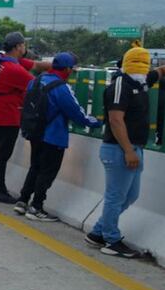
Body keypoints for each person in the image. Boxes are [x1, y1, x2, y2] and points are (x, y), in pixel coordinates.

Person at [85, 46, 165, 257]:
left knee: (130, 196)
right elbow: (116, 120)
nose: (143, 67)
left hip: (134, 147)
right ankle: (111, 239)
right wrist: (128, 151)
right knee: (115, 197)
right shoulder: (120, 85)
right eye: (139, 63)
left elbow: (163, 70)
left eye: (145, 63)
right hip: (118, 149)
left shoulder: (142, 81)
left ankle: (98, 232)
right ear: (129, 64)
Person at [14, 53, 101, 221]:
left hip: (34, 132)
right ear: (67, 69)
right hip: (53, 136)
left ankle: (22, 201)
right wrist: (96, 122)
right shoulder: (61, 87)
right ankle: (36, 207)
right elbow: (77, 113)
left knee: (35, 167)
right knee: (47, 172)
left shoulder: (36, 81)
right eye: (72, 69)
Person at [0, 32, 52, 203]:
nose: (25, 48)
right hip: (7, 113)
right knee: (3, 153)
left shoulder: (2, 60)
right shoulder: (14, 69)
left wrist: (52, 65)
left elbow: (36, 65)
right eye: (24, 45)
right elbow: (38, 85)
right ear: (18, 47)